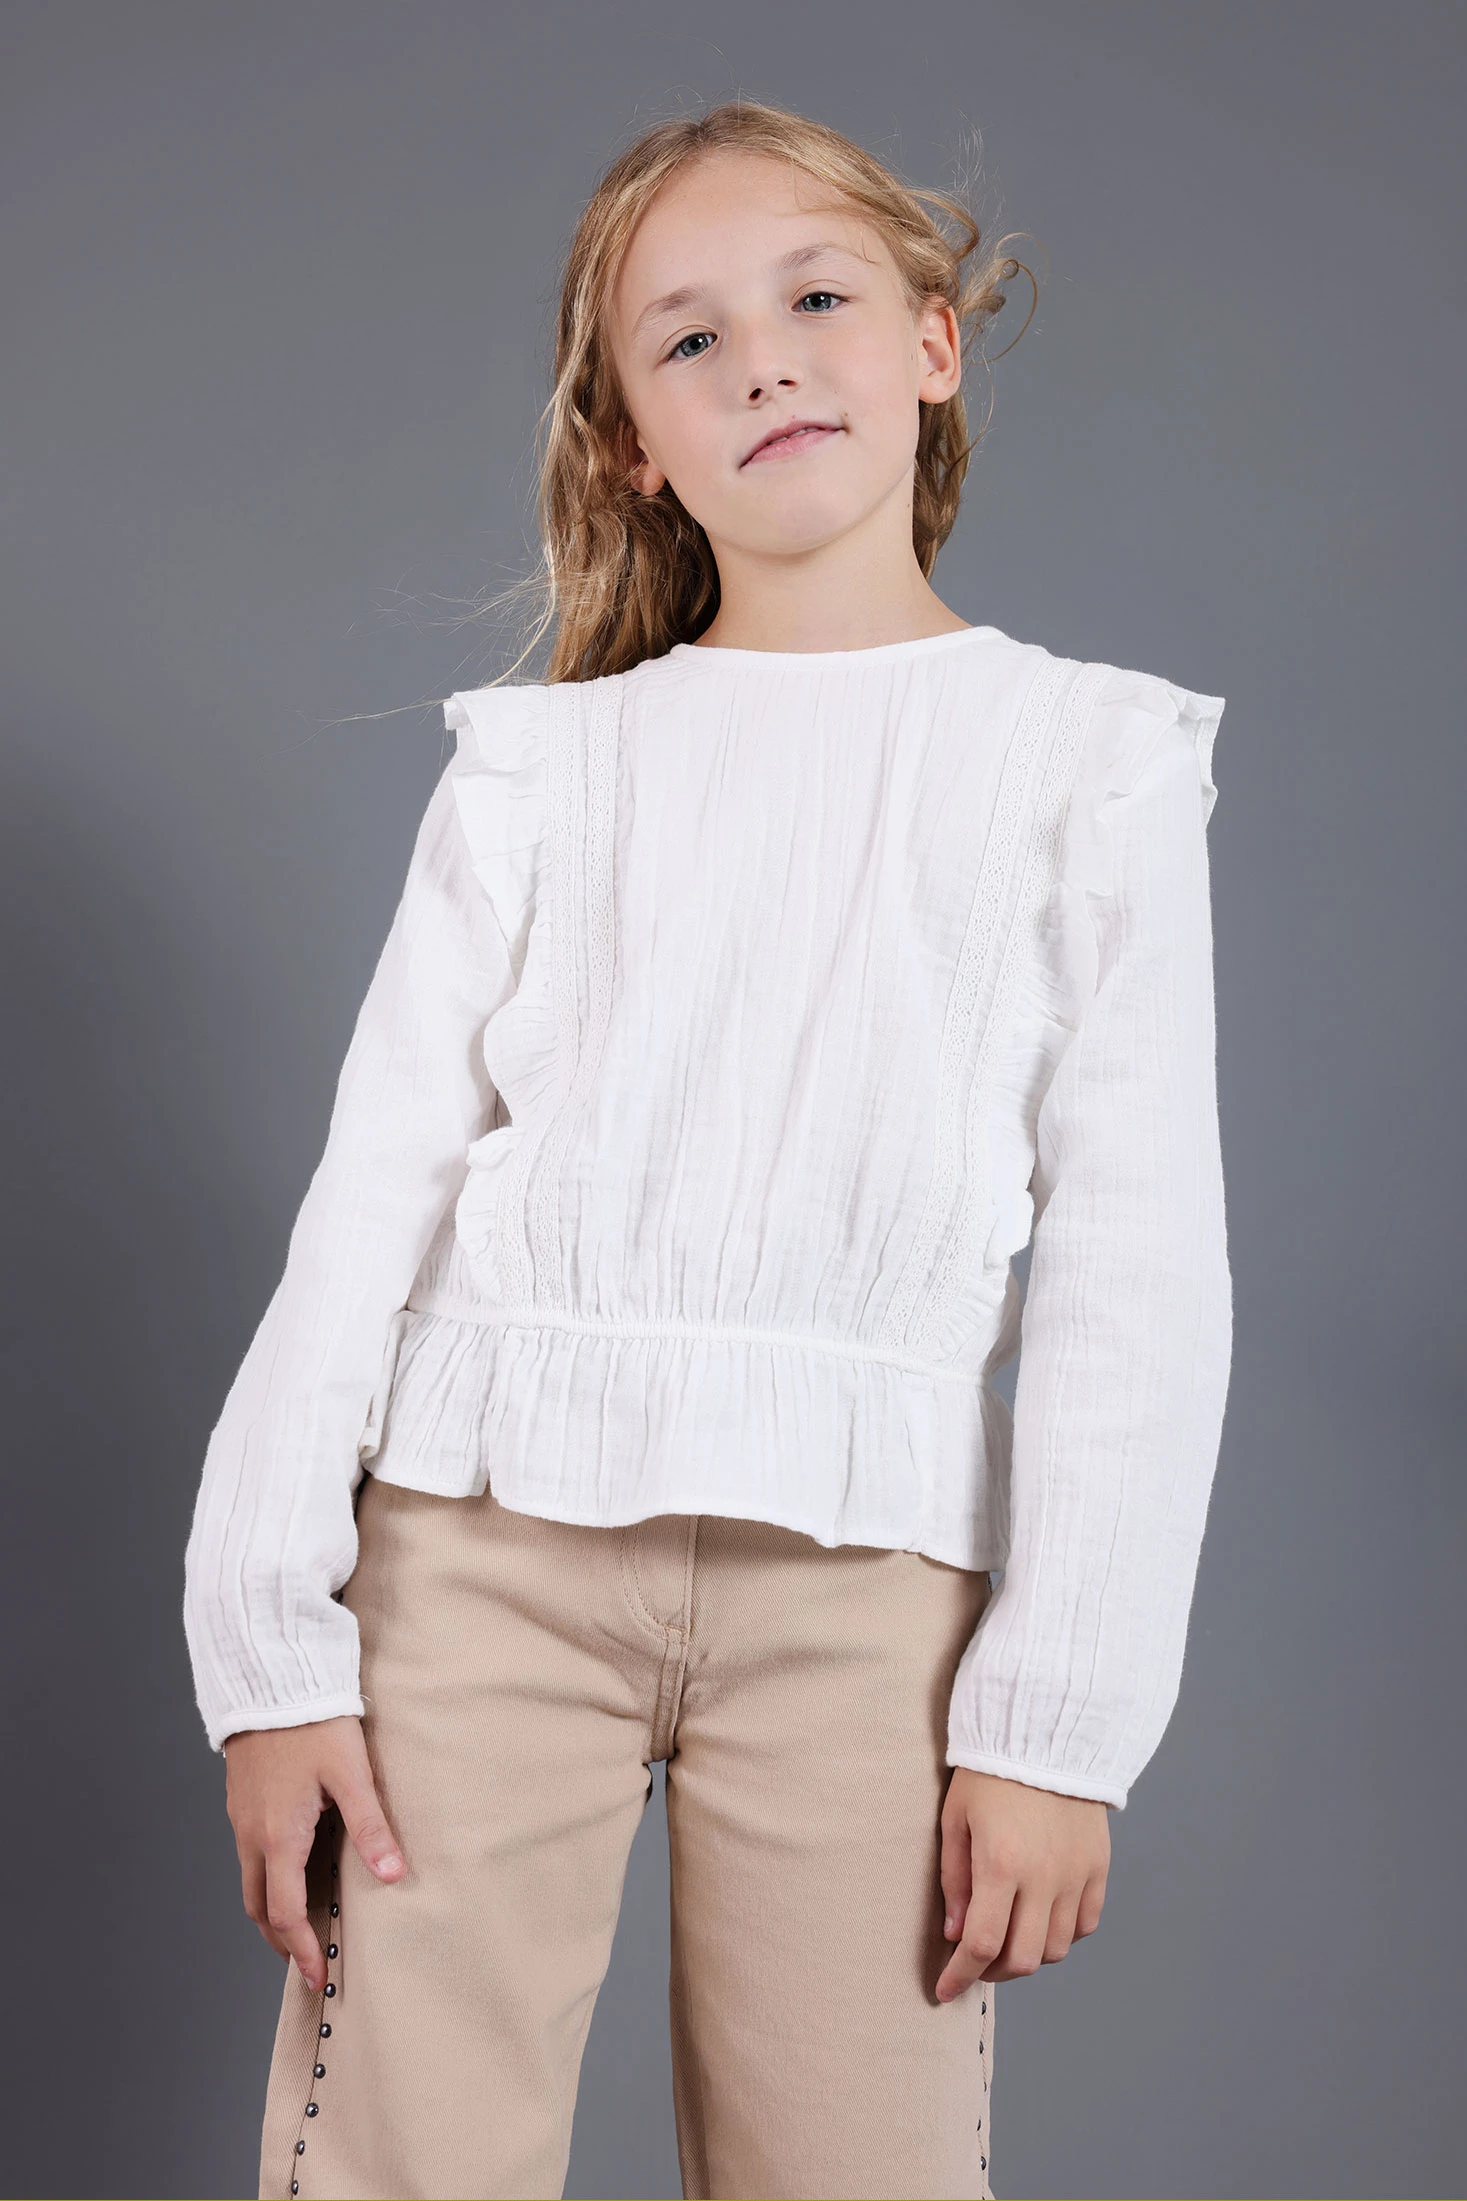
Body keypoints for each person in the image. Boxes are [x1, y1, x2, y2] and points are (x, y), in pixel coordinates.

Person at [183, 97, 1232, 2201]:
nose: (762, 360)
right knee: (403, 2158)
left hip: (869, 1598)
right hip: (481, 1560)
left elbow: (1139, 1262)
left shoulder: (1086, 762)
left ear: (930, 344)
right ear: (629, 448)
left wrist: (1057, 1721)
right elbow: (366, 1209)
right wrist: (267, 1652)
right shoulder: (537, 772)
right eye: (688, 338)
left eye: (815, 299)